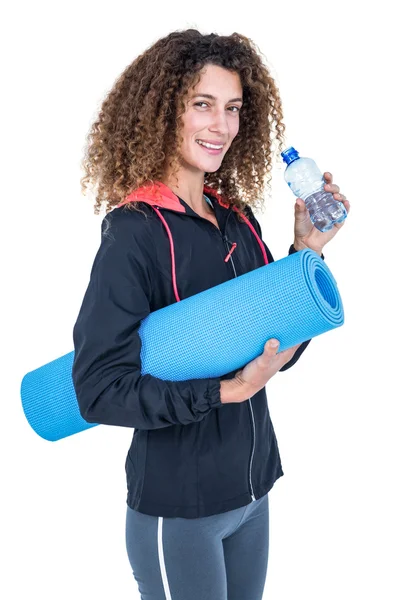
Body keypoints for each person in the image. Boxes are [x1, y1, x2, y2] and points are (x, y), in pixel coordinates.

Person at [72, 29, 350, 600]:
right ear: (163, 110)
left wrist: (306, 255)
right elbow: (98, 390)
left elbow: (274, 352)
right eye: (202, 105)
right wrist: (225, 392)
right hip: (180, 512)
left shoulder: (237, 218)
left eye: (233, 109)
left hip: (252, 495)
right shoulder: (134, 232)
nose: (220, 127)